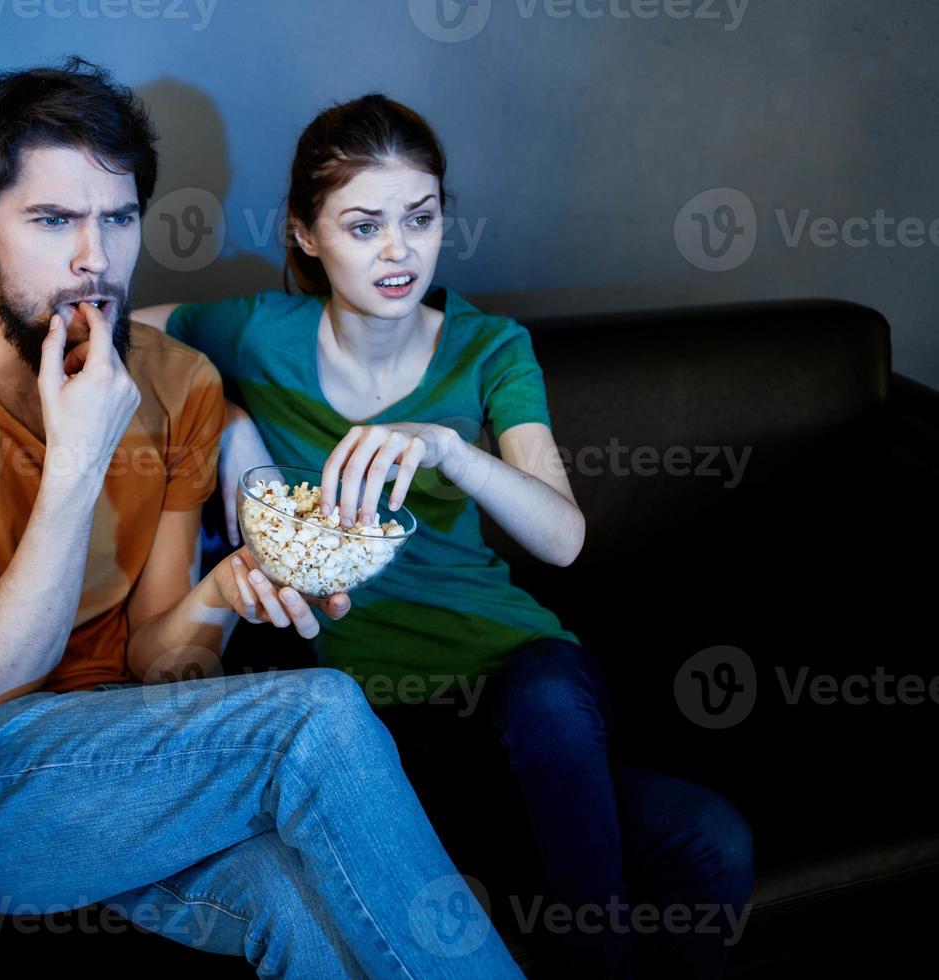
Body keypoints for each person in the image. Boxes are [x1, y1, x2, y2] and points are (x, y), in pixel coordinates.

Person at [0, 59, 524, 979]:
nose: (92, 259)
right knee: (315, 716)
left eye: (116, 218)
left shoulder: (179, 385)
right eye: (53, 220)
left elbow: (157, 659)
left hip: (123, 754)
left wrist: (226, 589)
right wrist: (76, 460)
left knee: (297, 907)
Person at [136, 93, 754, 979]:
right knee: (702, 840)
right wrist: (232, 421)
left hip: (527, 690)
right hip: (378, 716)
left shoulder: (488, 348)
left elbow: (563, 539)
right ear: (306, 236)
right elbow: (132, 336)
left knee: (662, 801)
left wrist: (450, 451)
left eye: (419, 220)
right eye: (363, 225)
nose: (398, 251)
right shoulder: (256, 335)